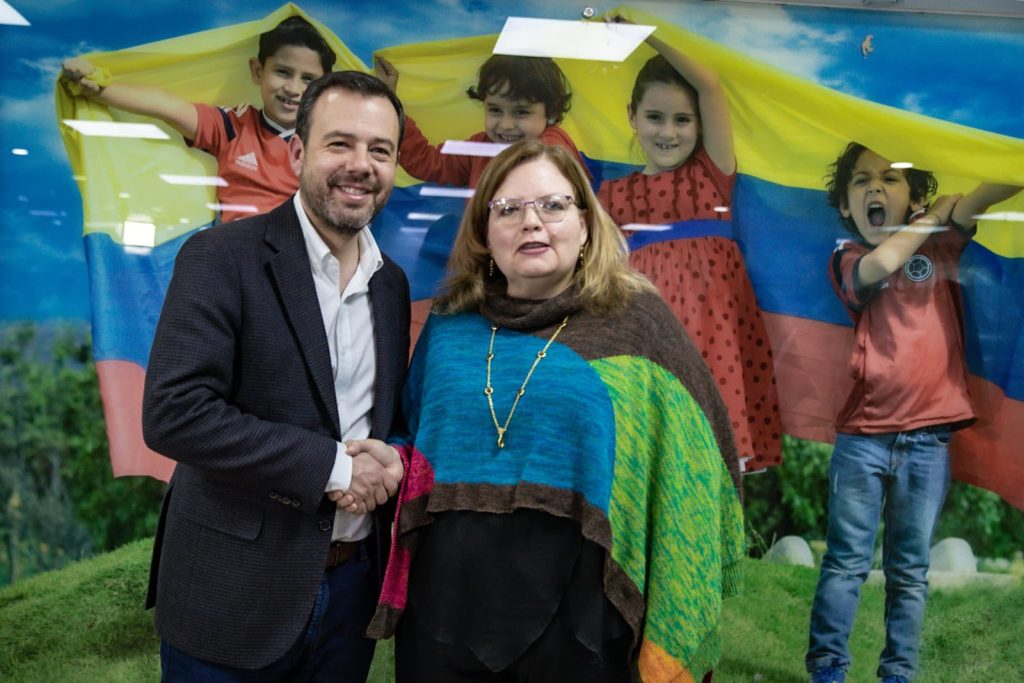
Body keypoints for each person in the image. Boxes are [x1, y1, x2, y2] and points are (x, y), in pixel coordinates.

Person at [342, 140, 744, 682]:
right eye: (508, 209)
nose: (531, 222)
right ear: (485, 233)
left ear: (586, 225)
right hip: (445, 606)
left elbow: (693, 462)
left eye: (553, 205)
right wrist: (395, 457)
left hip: (581, 614)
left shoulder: (636, 325)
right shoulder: (450, 323)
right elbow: (416, 435)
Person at [141, 70, 411, 681]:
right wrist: (335, 468)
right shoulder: (220, 257)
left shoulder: (390, 284)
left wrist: (392, 458)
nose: (361, 165)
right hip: (229, 592)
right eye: (339, 143)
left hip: (351, 595)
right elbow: (175, 413)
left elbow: (378, 419)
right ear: (296, 153)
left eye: (380, 150)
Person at [806, 142, 1022, 683]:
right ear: (845, 206)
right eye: (861, 181)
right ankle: (828, 668)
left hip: (928, 443)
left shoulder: (941, 244)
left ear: (915, 196)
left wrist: (991, 174)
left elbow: (987, 195)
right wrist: (929, 217)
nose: (875, 188)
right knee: (847, 562)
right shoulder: (847, 255)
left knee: (909, 570)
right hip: (863, 440)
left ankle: (897, 673)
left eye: (890, 178)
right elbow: (882, 263)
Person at [597, 23, 782, 469]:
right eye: (655, 117)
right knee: (652, 460)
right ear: (632, 115)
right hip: (648, 340)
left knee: (714, 465)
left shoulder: (712, 175)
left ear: (700, 123)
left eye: (683, 119)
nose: (669, 132)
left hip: (712, 341)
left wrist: (646, 33)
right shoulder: (612, 195)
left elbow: (710, 85)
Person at [60, 16, 336, 223]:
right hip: (237, 258)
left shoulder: (329, 143)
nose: (293, 88)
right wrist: (98, 86)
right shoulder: (232, 126)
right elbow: (165, 105)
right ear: (257, 71)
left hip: (298, 260)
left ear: (324, 87)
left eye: (308, 79)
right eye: (283, 72)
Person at [374, 53, 588, 188]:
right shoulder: (481, 147)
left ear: (550, 111)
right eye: (495, 110)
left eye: (521, 112)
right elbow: (428, 162)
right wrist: (390, 101)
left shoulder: (553, 146)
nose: (506, 125)